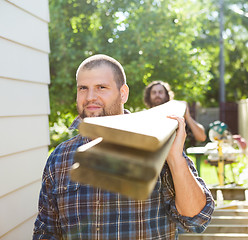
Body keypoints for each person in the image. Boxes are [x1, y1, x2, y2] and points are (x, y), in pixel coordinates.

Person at [33, 54, 215, 239]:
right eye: (83, 88)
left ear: (123, 93)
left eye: (101, 87)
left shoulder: (155, 143)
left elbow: (197, 220)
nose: (90, 97)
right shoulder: (59, 158)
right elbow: (46, 232)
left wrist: (175, 159)